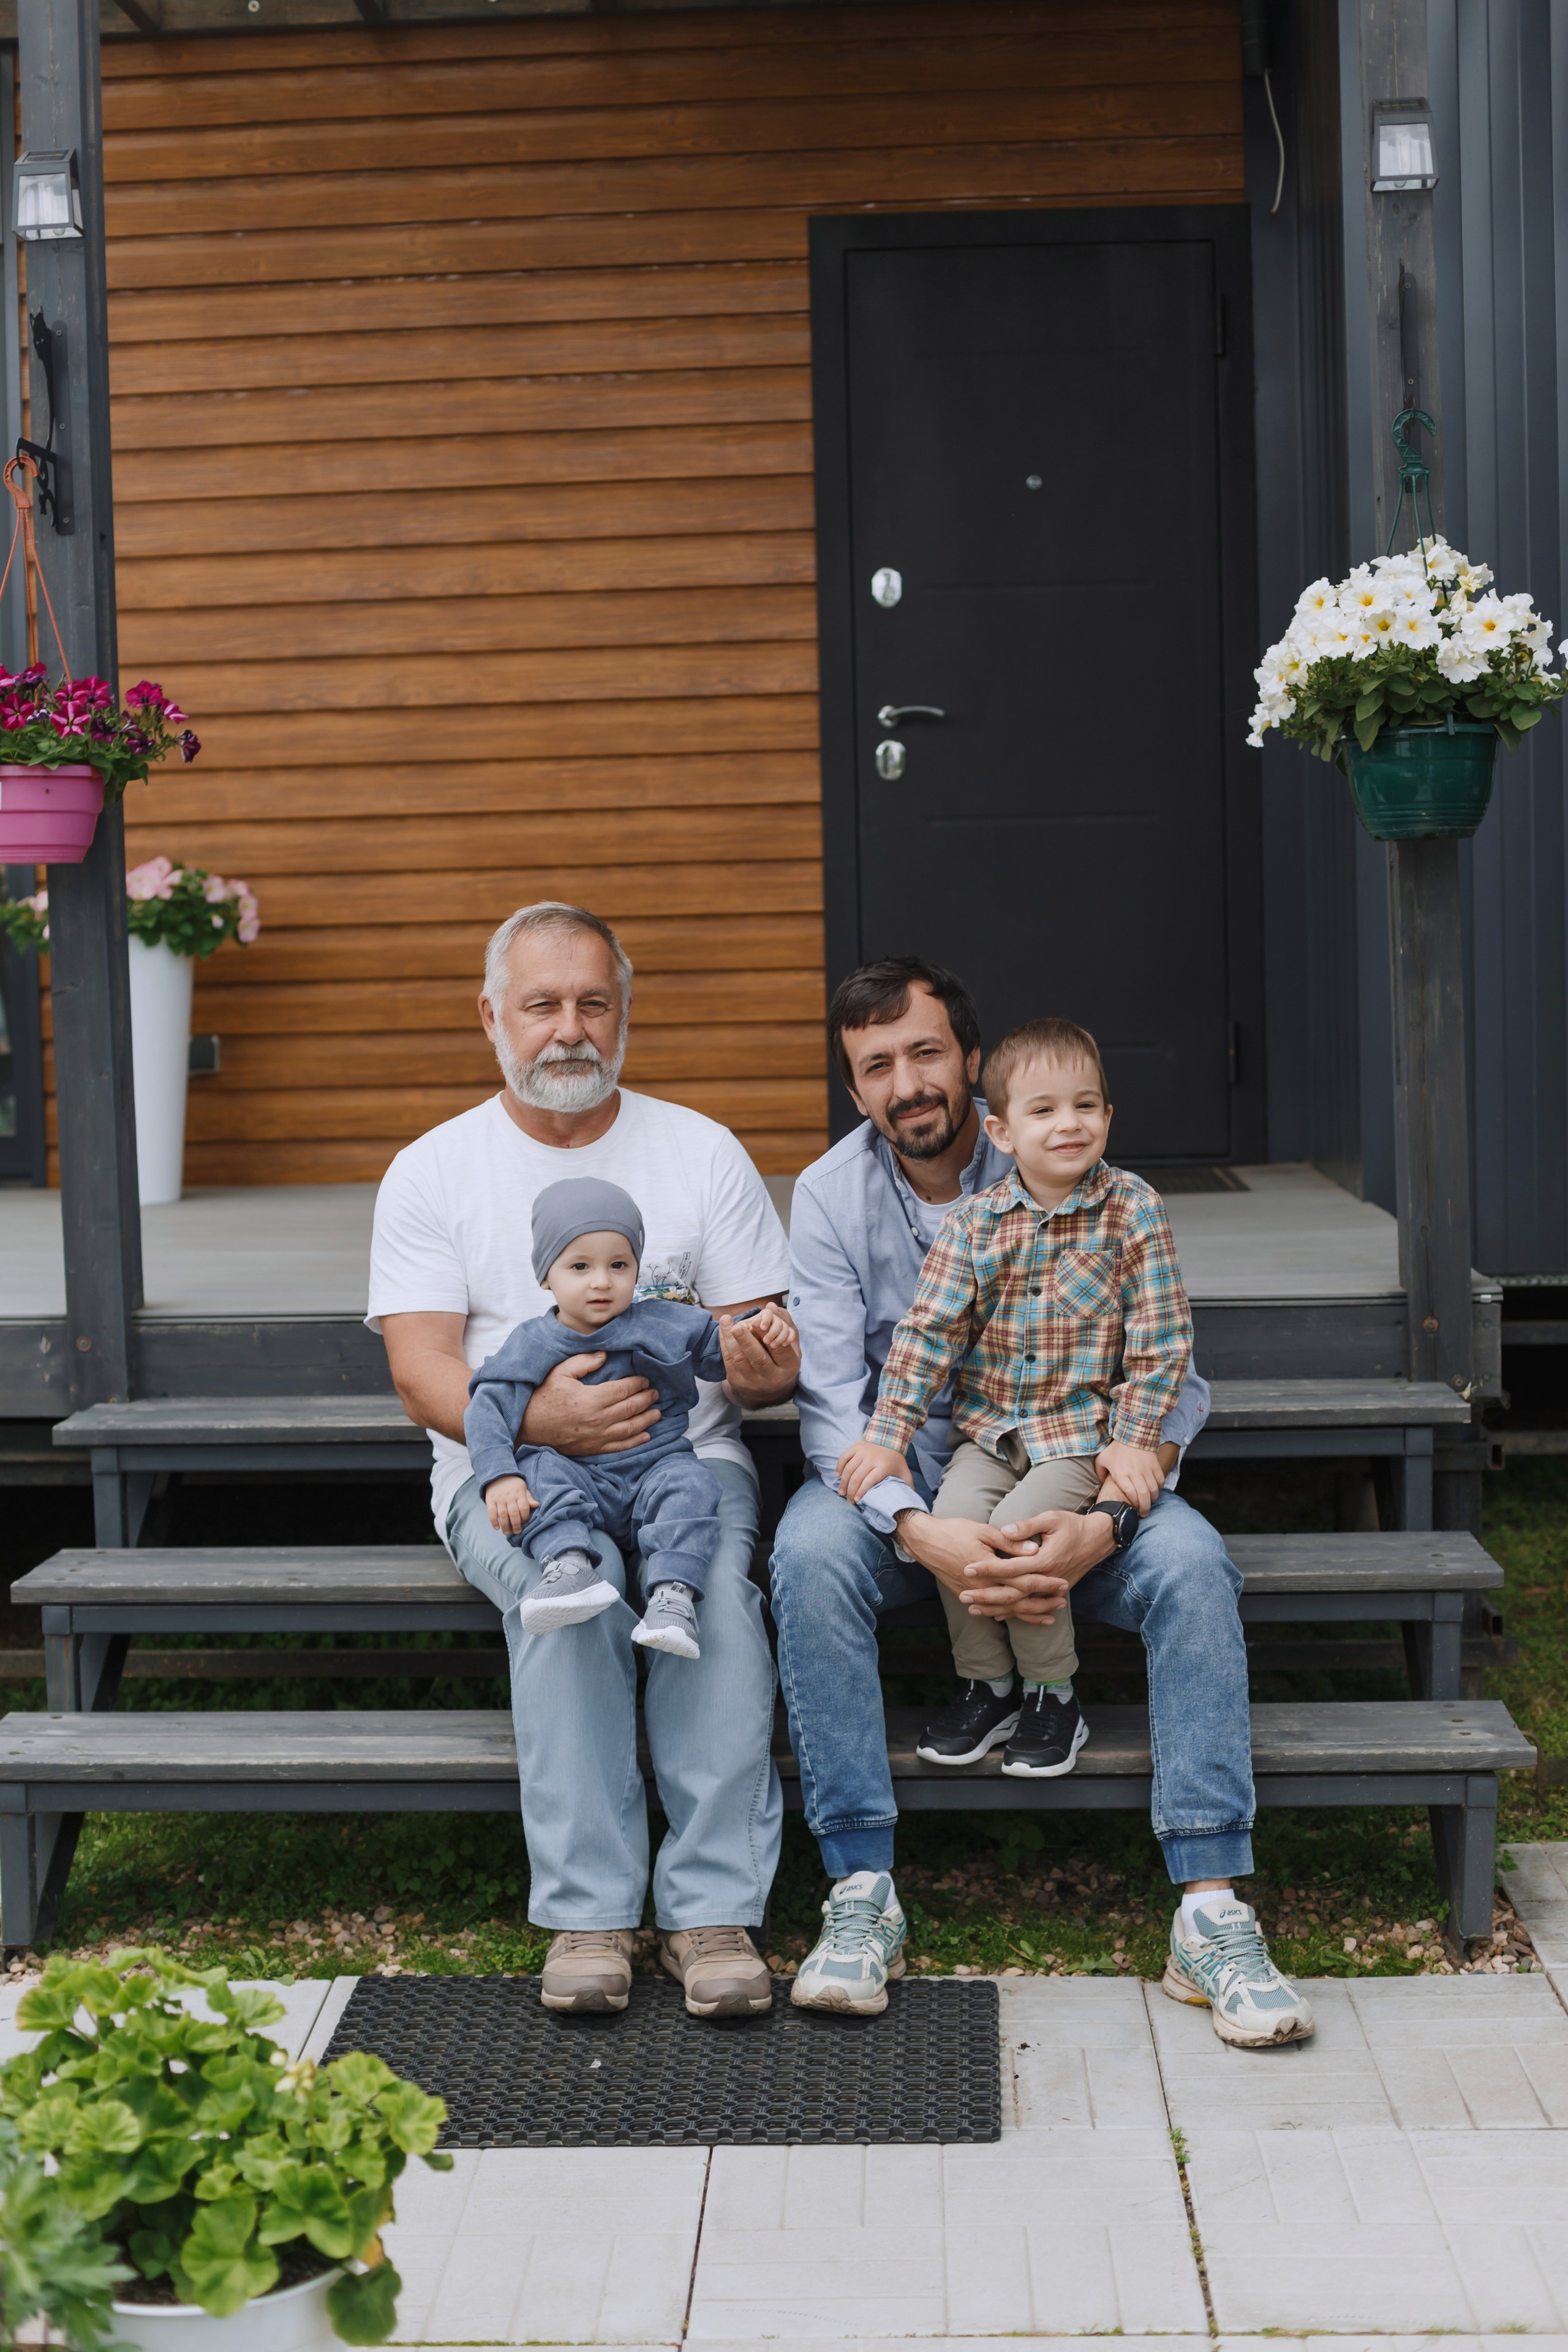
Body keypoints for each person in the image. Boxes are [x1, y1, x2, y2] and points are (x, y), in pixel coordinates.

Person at [772, 956, 1314, 2048]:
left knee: (1194, 1565)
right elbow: (834, 1399)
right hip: (921, 1491)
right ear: (856, 1086)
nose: (904, 1082)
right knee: (808, 1554)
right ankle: (862, 1888)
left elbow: (1174, 1373)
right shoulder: (831, 1196)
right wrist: (919, 1528)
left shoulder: (1085, 1177)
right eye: (875, 1066)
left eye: (924, 1053)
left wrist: (1104, 1523)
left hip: (1078, 1474)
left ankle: (1209, 1907)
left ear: (972, 1066)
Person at [369, 900, 797, 2021]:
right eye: (543, 1004)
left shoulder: (701, 1152)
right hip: (503, 1475)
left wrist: (761, 1365)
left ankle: (710, 1912)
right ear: (493, 1017)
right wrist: (542, 1426)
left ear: (625, 1014)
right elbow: (422, 1371)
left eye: (593, 1003)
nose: (570, 1029)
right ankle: (590, 1915)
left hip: (686, 1469)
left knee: (711, 1597)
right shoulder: (434, 1169)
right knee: (573, 1604)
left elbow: (755, 1357)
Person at [838, 1015, 1192, 1782]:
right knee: (955, 1527)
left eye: (1086, 1105)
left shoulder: (1133, 1210)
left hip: (1077, 1436)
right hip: (992, 1433)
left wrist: (1132, 1438)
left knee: (1018, 1532)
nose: (1068, 1124)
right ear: (999, 1130)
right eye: (1043, 1110)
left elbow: (1161, 1340)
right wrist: (888, 1434)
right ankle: (989, 1687)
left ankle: (1052, 1694)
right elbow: (925, 1335)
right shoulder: (974, 1224)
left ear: (1107, 1116)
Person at [464, 1174, 795, 1663]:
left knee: (693, 1486)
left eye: (618, 1264)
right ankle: (568, 1566)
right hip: (576, 1473)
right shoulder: (532, 1342)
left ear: (637, 1268)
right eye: (580, 1266)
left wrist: (756, 1329)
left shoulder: (664, 1321)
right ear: (545, 1275)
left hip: (655, 1467)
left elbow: (720, 1347)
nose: (601, 1281)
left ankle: (672, 1598)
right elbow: (488, 1409)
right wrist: (500, 1477)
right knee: (538, 1472)